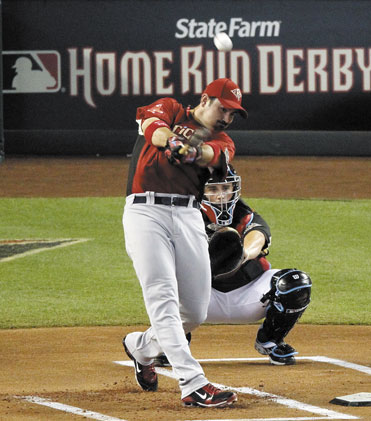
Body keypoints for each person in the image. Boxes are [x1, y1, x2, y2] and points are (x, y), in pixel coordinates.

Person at [122, 78, 247, 408]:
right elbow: (153, 127)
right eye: (224, 109)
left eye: (233, 114)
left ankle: (140, 347)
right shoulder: (172, 109)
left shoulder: (224, 141)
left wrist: (192, 151)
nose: (227, 118)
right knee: (163, 295)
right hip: (145, 212)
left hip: (189, 215)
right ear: (205, 100)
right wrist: (172, 141)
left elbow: (211, 154)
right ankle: (193, 384)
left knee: (193, 311)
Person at [155, 167, 312, 367]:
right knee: (162, 281)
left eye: (225, 188)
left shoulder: (245, 214)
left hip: (249, 296)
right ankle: (175, 344)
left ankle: (270, 340)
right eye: (213, 189)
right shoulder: (183, 218)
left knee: (296, 283)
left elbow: (258, 235)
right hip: (204, 298)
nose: (221, 195)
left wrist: (242, 254)